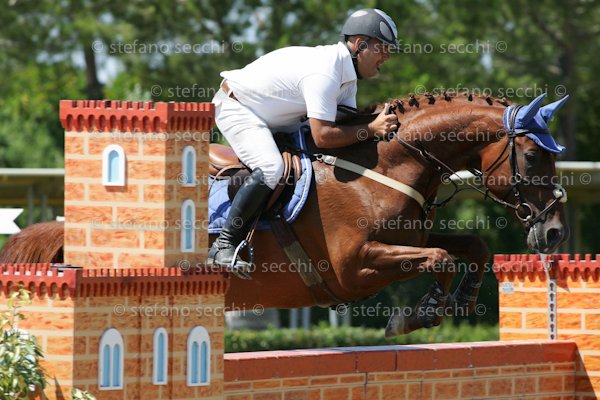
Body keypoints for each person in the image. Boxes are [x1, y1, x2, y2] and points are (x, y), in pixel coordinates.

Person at [208, 8, 400, 279]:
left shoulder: (347, 78)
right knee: (272, 168)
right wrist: (371, 128)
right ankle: (224, 244)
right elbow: (324, 135)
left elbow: (345, 122)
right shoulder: (326, 73)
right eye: (383, 48)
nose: (387, 56)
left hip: (277, 116)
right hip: (238, 108)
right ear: (360, 45)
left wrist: (376, 122)